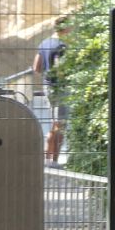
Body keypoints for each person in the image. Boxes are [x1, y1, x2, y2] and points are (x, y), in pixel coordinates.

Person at [34, 20, 68, 165]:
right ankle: (52, 160)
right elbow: (61, 68)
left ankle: (48, 158)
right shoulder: (61, 46)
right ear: (65, 28)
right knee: (60, 124)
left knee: (55, 122)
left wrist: (47, 74)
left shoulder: (44, 43)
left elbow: (36, 67)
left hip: (47, 86)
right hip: (60, 87)